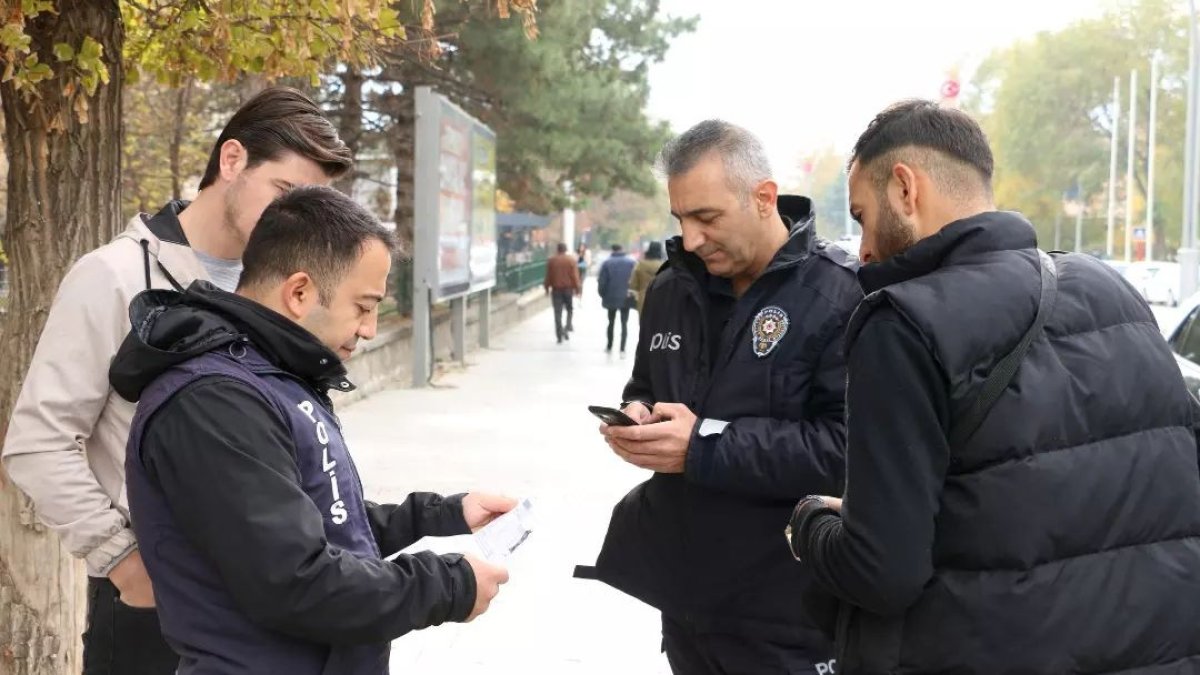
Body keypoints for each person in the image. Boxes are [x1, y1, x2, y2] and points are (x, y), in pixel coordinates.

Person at [789, 100, 1200, 674]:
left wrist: (810, 524)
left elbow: (882, 574)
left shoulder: (901, 325)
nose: (861, 249)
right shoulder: (1111, 288)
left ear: (905, 189)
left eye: (860, 216)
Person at [2, 87, 353, 675]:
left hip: (270, 593)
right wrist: (125, 563)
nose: (294, 218)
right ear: (233, 160)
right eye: (284, 192)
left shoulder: (280, 286)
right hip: (153, 606)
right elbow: (37, 443)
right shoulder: (113, 276)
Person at [109, 186, 513, 675]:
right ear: (299, 292)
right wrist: (449, 586)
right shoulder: (213, 401)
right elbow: (294, 581)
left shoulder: (270, 375)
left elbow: (321, 517)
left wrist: (439, 515)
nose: (369, 328)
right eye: (364, 306)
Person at [582, 120, 862, 674]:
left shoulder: (841, 294)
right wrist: (639, 416)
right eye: (681, 219)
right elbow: (645, 385)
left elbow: (851, 451)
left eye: (706, 218)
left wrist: (705, 443)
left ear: (764, 199)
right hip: (686, 600)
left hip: (790, 611)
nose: (690, 239)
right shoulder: (671, 287)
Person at [597, 243, 637, 355]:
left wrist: (602, 294)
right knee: (624, 323)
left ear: (612, 250)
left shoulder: (606, 263)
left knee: (611, 322)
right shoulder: (631, 263)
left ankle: (609, 345)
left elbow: (602, 282)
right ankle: (622, 348)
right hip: (626, 297)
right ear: (622, 249)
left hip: (611, 297)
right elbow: (634, 280)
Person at [544, 242, 582, 343]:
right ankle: (567, 326)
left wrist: (546, 288)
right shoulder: (571, 260)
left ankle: (559, 334)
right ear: (566, 250)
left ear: (558, 249)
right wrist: (577, 289)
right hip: (568, 289)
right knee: (569, 309)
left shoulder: (552, 261)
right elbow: (575, 276)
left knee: (557, 312)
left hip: (556, 290)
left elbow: (548, 276)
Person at [630, 240, 665, 313]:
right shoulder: (665, 266)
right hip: (661, 300)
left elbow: (633, 285)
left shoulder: (640, 265)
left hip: (643, 300)